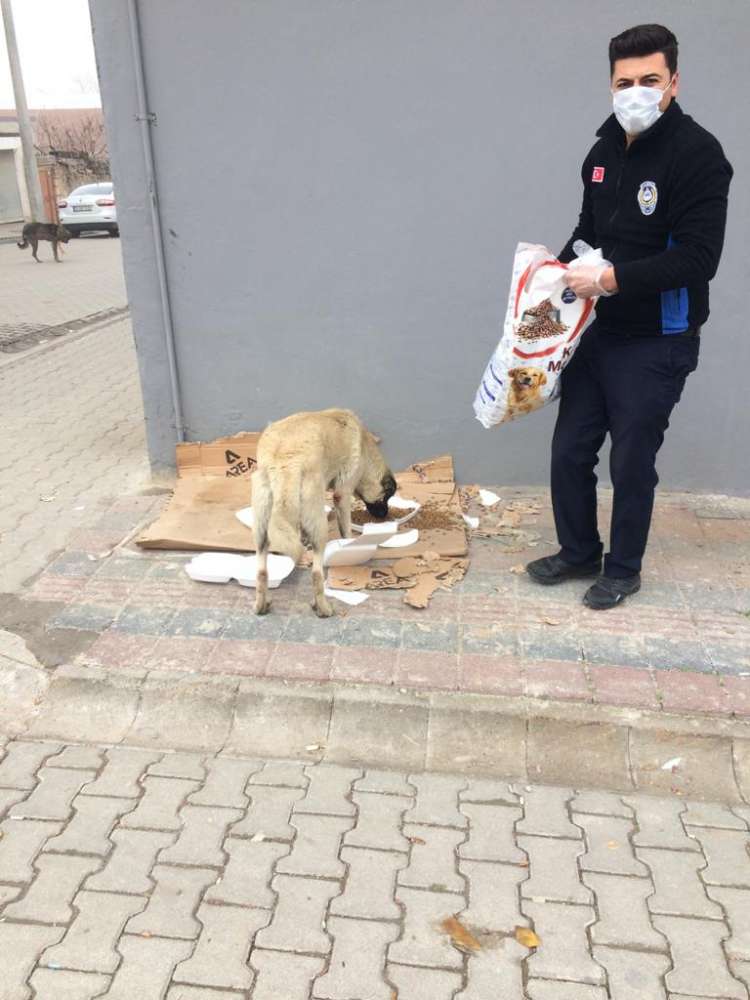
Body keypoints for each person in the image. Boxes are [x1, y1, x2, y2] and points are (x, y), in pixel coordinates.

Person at [526, 23, 733, 610]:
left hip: (659, 338)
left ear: (673, 82)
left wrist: (612, 279)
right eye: (624, 82)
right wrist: (552, 273)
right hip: (601, 330)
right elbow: (589, 233)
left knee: (631, 457)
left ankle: (621, 569)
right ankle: (577, 552)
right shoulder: (601, 152)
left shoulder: (698, 155)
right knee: (570, 449)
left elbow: (699, 259)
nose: (635, 91)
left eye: (649, 79)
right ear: (610, 86)